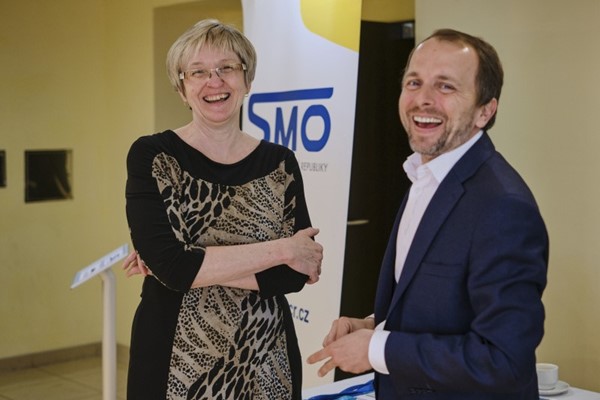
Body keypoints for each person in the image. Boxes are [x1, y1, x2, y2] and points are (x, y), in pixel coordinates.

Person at [307, 28, 548, 399]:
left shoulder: (504, 206)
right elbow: (441, 310)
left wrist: (378, 349)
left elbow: (503, 361)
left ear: (485, 111)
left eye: (445, 86)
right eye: (414, 82)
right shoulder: (424, 176)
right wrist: (373, 326)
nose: (423, 99)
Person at [123, 19, 323, 400]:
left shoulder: (280, 163)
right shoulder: (154, 155)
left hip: (267, 358)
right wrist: (283, 249)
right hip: (174, 356)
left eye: (227, 67)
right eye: (198, 72)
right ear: (182, 87)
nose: (214, 82)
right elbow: (173, 267)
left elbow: (294, 276)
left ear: (246, 79)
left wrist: (194, 263)